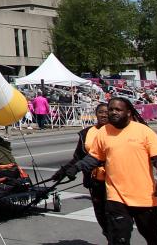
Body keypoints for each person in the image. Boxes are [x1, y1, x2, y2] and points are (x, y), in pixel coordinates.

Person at [54, 96, 157, 245]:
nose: (113, 112)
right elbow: (94, 157)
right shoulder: (104, 132)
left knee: (152, 237)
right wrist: (75, 168)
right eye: (111, 109)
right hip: (115, 196)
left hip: (144, 196)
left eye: (118, 109)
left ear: (128, 112)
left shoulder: (144, 131)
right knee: (119, 239)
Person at [55, 102, 109, 239]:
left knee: (116, 216)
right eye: (100, 112)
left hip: (114, 181)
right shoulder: (87, 133)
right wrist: (63, 172)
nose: (104, 115)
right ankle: (110, 236)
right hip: (94, 181)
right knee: (101, 215)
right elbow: (78, 157)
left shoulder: (117, 131)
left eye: (106, 112)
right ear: (96, 114)